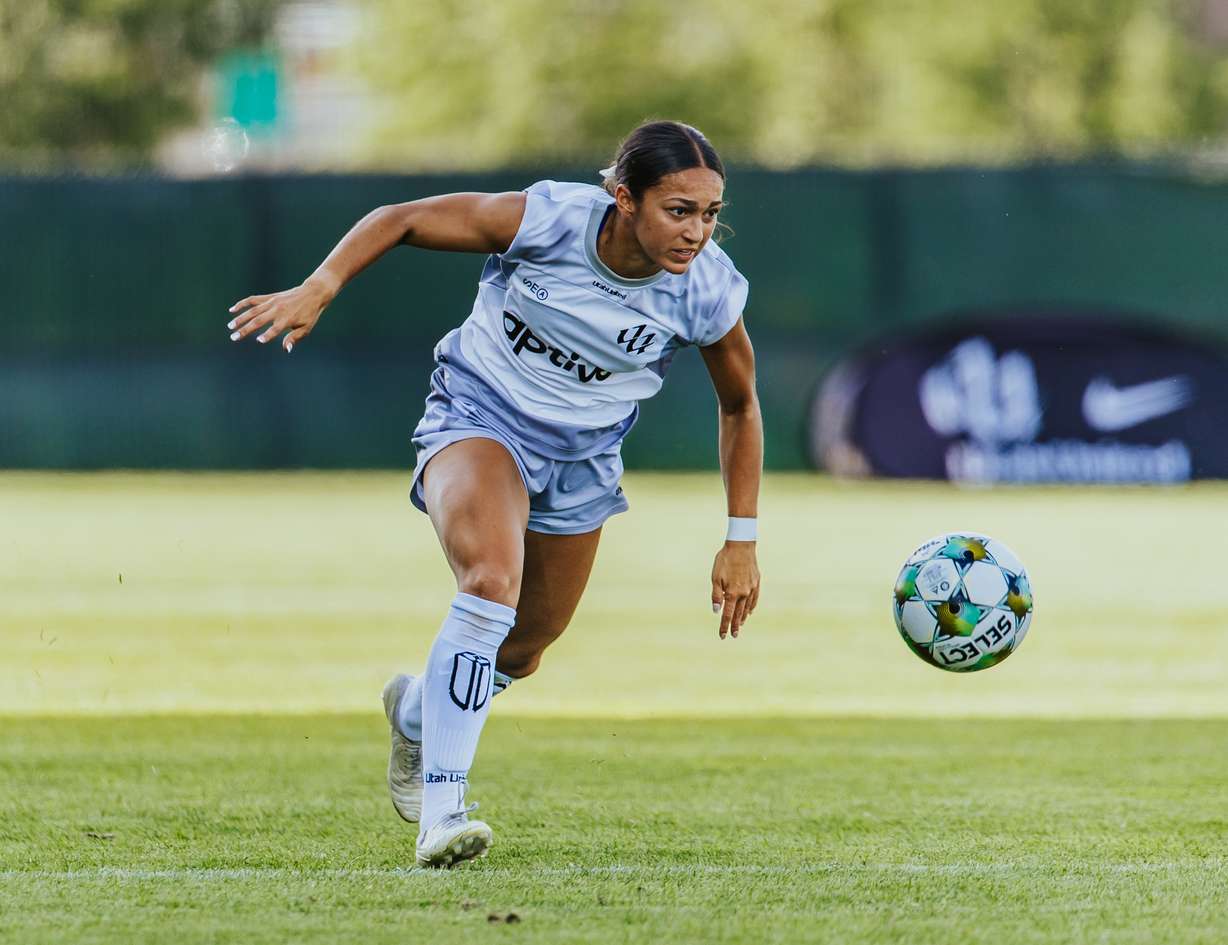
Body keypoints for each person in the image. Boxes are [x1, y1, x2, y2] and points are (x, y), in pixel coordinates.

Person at [226, 120, 762, 868]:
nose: (697, 232)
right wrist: (321, 286)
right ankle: (443, 806)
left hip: (581, 462)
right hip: (480, 416)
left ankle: (417, 711)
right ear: (622, 198)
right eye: (679, 210)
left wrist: (741, 537)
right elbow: (402, 220)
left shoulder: (706, 289)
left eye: (710, 213)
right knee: (490, 584)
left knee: (526, 645)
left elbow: (740, 405)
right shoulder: (549, 221)